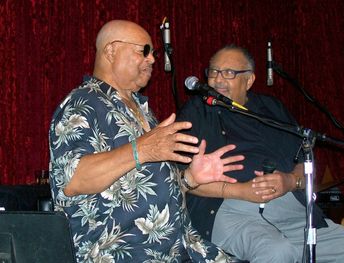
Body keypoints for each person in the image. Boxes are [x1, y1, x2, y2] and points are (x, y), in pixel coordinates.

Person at [48, 20, 246, 262]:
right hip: (123, 254)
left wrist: (189, 179)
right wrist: (141, 149)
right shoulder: (83, 104)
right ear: (111, 51)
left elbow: (141, 188)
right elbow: (73, 179)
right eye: (143, 51)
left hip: (182, 248)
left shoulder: (140, 109)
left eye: (153, 53)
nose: (152, 60)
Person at [177, 44, 344, 262]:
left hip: (289, 206)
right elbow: (181, 178)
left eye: (229, 73)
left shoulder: (271, 108)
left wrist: (290, 181)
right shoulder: (196, 111)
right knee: (277, 251)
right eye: (213, 72)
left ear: (249, 80)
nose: (218, 80)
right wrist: (240, 191)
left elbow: (305, 162)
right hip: (228, 207)